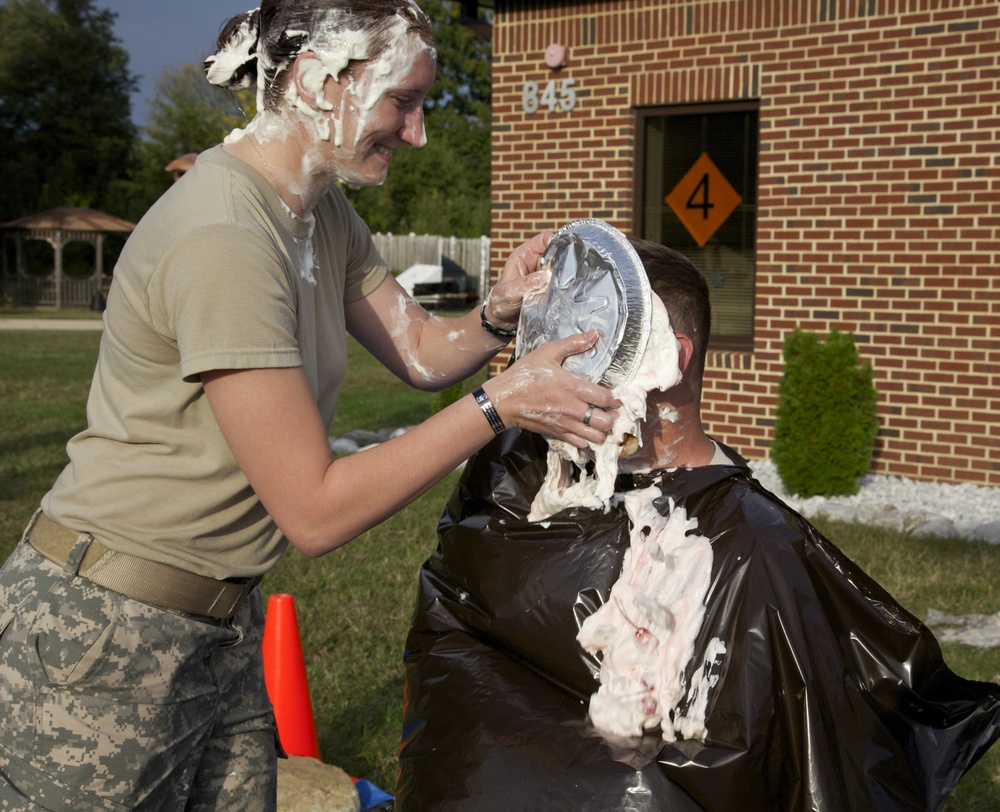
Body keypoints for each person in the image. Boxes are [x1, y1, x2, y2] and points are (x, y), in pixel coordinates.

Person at [0, 2, 620, 809]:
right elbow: (315, 512)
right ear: (318, 83)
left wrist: (497, 313)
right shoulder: (225, 232)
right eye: (404, 101)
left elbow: (422, 351)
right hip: (105, 635)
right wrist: (502, 404)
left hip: (219, 620)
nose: (419, 131)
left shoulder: (318, 212)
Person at [396, 239, 1000, 810]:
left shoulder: (751, 552)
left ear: (669, 359)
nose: (556, 376)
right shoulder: (516, 484)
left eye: (588, 346)